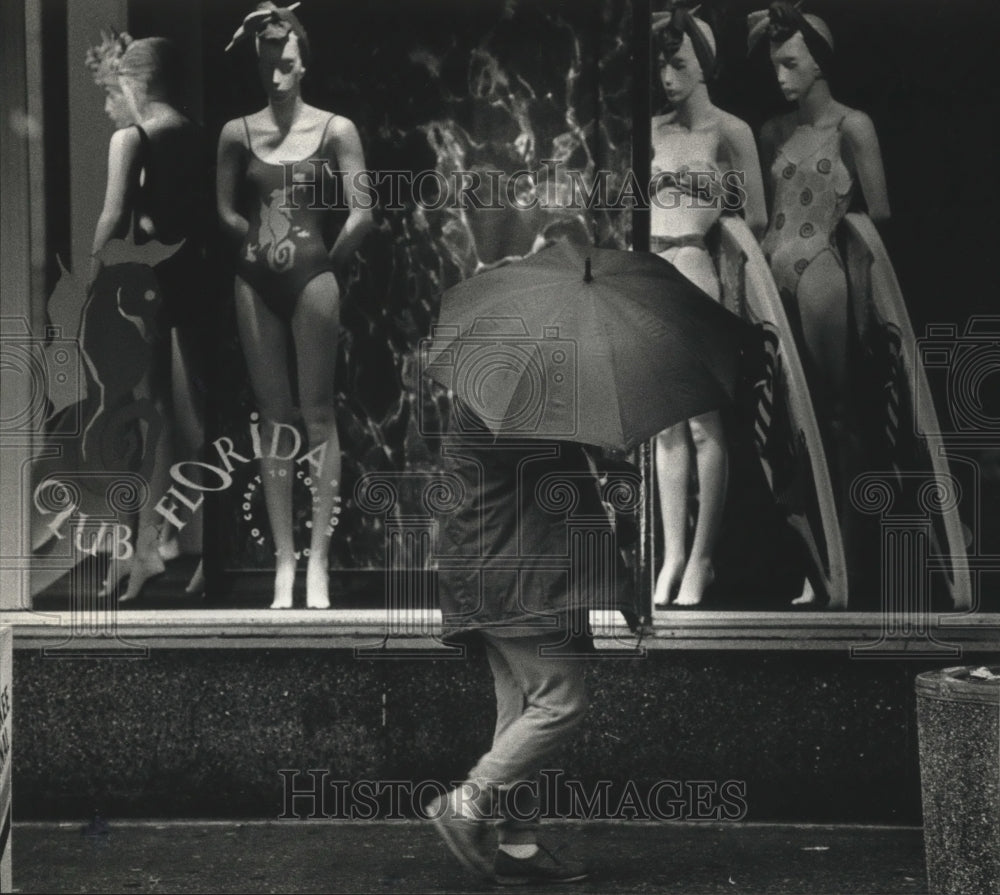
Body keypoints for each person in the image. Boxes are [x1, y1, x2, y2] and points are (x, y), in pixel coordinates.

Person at [216, 3, 373, 609]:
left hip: (313, 274)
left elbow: (363, 211)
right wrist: (250, 239)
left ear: (303, 62)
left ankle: (320, 564)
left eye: (284, 66)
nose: (275, 78)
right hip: (254, 276)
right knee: (273, 416)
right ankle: (284, 559)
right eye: (266, 67)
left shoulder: (336, 129)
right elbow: (224, 208)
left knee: (318, 414)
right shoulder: (238, 131)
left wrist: (324, 257)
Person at [426, 397, 613, 884]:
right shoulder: (510, 395)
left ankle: (519, 847)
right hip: (516, 574)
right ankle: (466, 805)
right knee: (559, 701)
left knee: (519, 710)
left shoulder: (501, 384)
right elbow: (546, 463)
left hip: (504, 566)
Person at [751, 1, 890, 600]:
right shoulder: (771, 132)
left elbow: (876, 217)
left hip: (821, 272)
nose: (780, 77)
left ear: (818, 64)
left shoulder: (851, 126)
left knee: (835, 413)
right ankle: (814, 563)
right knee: (783, 423)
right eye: (774, 66)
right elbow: (761, 216)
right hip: (771, 272)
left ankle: (853, 555)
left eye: (790, 64)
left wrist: (866, 298)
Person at [648, 5, 767, 607]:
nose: (668, 77)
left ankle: (701, 558)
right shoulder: (652, 130)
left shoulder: (729, 132)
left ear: (704, 65)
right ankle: (671, 555)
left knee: (703, 422)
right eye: (662, 64)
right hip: (654, 265)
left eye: (679, 63)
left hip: (697, 265)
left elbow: (757, 219)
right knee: (666, 424)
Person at [85, 31, 208, 601]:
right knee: (192, 415)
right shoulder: (199, 136)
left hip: (145, 284)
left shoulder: (130, 139)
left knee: (145, 415)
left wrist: (89, 280)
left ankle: (143, 547)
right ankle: (171, 547)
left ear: (133, 81)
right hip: (193, 277)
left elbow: (112, 219)